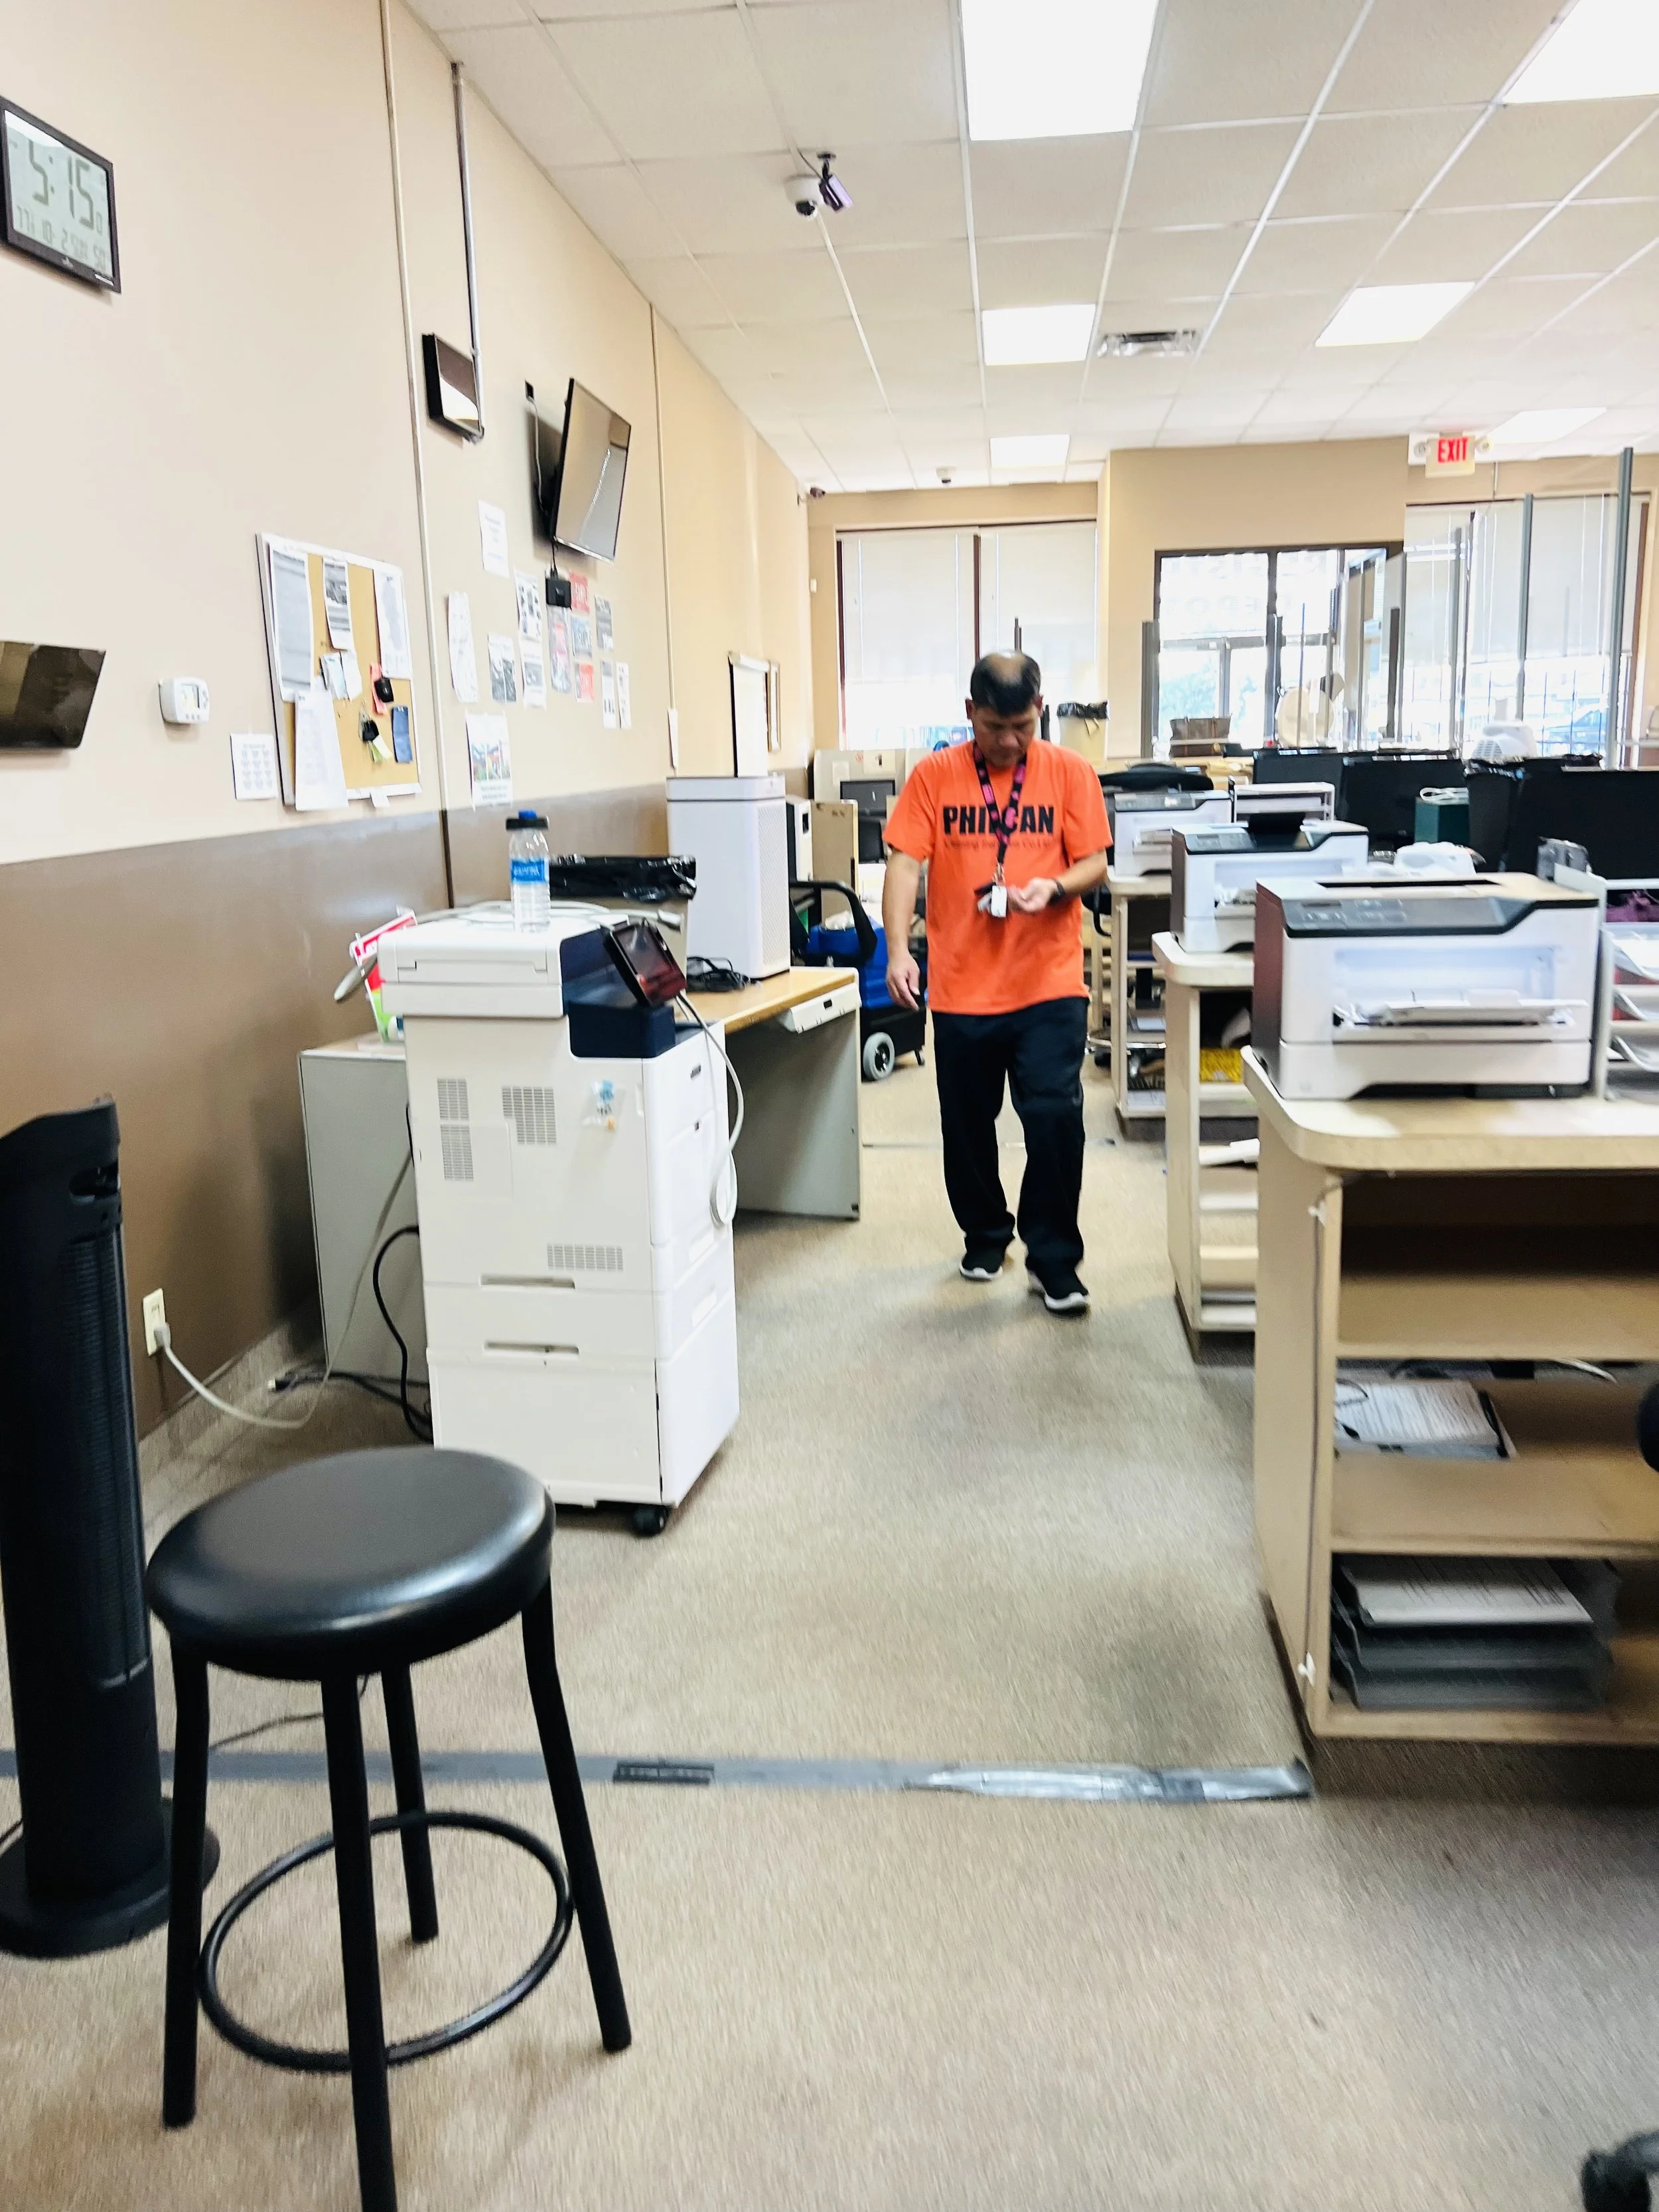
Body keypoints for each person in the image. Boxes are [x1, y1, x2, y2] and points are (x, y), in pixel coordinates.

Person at [881, 653, 1112, 1315]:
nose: (1009, 741)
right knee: (966, 1126)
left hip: (1048, 983)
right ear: (968, 714)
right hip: (963, 987)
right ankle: (985, 1234)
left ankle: (1054, 1259)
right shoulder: (934, 777)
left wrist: (1055, 886)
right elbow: (904, 865)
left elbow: (1094, 861)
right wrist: (897, 951)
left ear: (1040, 709)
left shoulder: (1070, 772)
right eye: (992, 727)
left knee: (1054, 1118)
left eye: (1022, 726)